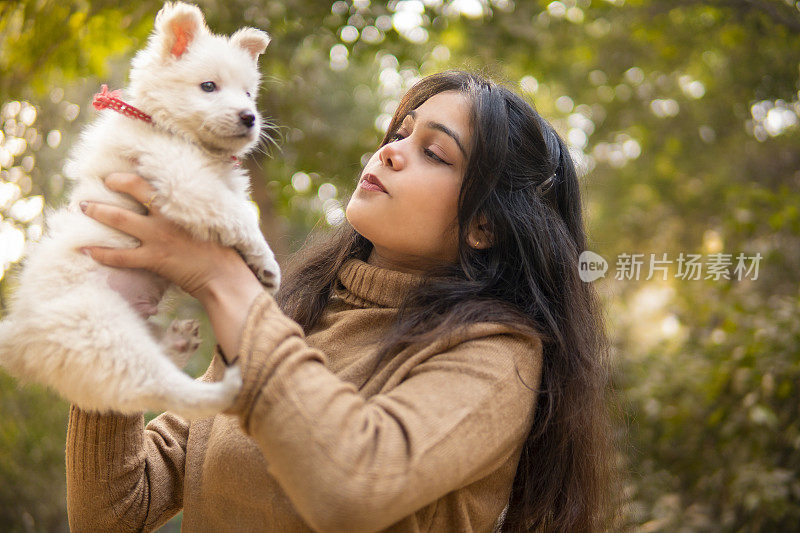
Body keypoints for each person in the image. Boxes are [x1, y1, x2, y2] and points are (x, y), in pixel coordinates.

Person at [68, 70, 616, 532]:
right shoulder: (293, 316)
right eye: (399, 133)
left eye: (433, 151)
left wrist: (222, 280)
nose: (391, 152)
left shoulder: (496, 356)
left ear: (484, 226)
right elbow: (114, 511)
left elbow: (352, 484)